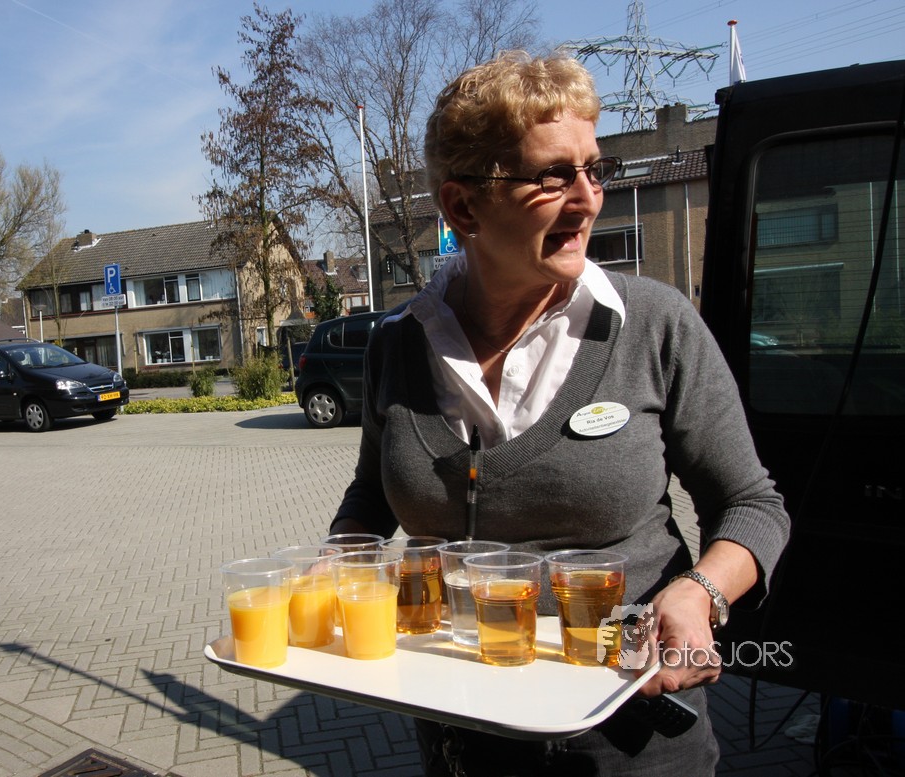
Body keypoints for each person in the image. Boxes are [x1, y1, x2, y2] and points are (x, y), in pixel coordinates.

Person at [330, 52, 790, 776]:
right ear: (463, 207)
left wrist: (701, 592)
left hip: (630, 737)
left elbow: (753, 504)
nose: (587, 199)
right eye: (552, 176)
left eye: (593, 170)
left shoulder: (654, 325)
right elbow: (370, 495)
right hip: (461, 729)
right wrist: (338, 560)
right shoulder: (398, 342)